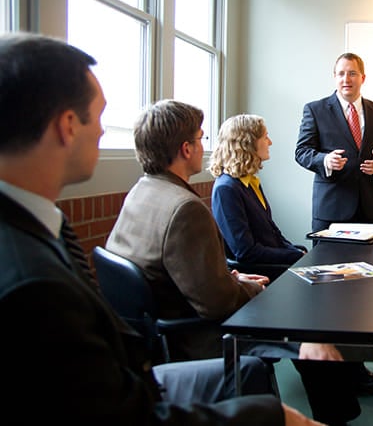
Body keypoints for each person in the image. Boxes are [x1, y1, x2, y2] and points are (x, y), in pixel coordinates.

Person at [0, 32, 318, 425]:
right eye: (97, 117)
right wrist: (269, 415)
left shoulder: (137, 192)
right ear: (67, 125)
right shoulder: (33, 283)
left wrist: (228, 274)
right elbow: (215, 304)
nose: (102, 132)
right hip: (175, 348)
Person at [107, 99, 361, 425]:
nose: (205, 146)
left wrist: (233, 279)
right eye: (200, 138)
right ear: (186, 149)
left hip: (167, 325)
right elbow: (219, 304)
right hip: (201, 334)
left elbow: (190, 274)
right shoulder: (185, 208)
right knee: (311, 337)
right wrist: (247, 286)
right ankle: (334, 417)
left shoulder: (142, 192)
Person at [295, 51, 373, 396]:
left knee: (363, 295)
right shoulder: (315, 109)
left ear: (362, 77)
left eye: (352, 73)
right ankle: (327, 370)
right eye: (340, 73)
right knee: (329, 293)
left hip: (369, 212)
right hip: (331, 213)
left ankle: (357, 370)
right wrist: (325, 160)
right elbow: (302, 151)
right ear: (334, 77)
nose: (346, 79)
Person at [209, 114, 307, 277]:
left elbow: (273, 233)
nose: (270, 142)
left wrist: (296, 252)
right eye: (265, 137)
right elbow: (245, 252)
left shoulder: (250, 182)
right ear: (248, 143)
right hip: (259, 273)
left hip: (272, 264)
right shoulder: (226, 189)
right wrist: (295, 256)